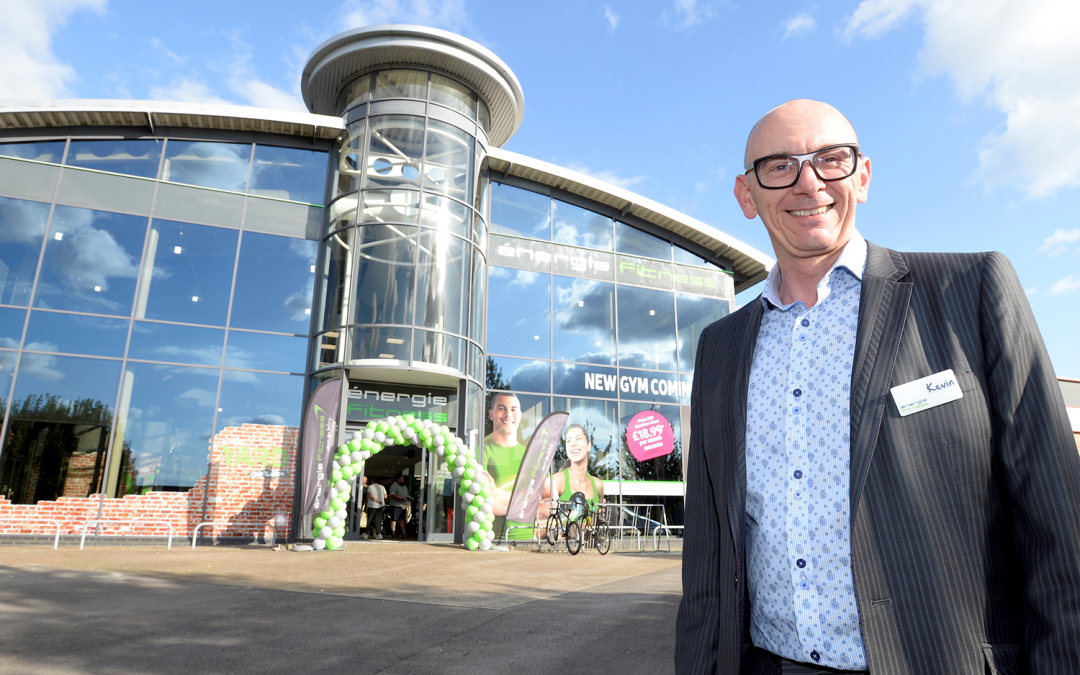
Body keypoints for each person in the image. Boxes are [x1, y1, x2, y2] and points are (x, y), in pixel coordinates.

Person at [675, 99, 1080, 675]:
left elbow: (1058, 527)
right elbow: (707, 559)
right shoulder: (720, 348)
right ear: (747, 195)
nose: (808, 181)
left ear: (862, 177)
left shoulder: (971, 290)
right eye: (779, 165)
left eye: (830, 159)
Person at [550, 424, 605, 509]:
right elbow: (545, 519)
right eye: (569, 441)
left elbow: (599, 519)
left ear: (588, 446)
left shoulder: (598, 485)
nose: (573, 444)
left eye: (578, 439)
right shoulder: (557, 481)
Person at [387, 474, 410, 539]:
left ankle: (403, 533)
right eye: (402, 479)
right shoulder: (394, 486)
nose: (403, 480)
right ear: (398, 479)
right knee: (394, 519)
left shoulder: (405, 486)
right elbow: (392, 494)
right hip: (395, 505)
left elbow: (407, 494)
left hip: (403, 506)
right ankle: (393, 533)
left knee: (403, 520)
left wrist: (408, 497)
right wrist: (400, 498)